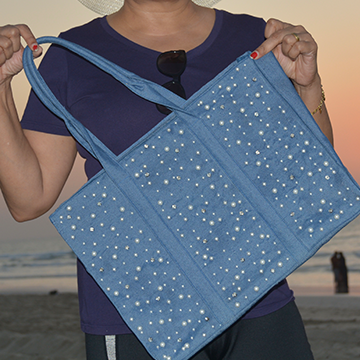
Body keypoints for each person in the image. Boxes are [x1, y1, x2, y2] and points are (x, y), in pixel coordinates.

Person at [0, 0, 333, 359]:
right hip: (138, 317)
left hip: (260, 295)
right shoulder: (72, 55)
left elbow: (313, 173)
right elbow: (28, 199)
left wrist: (308, 85)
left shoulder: (256, 37)